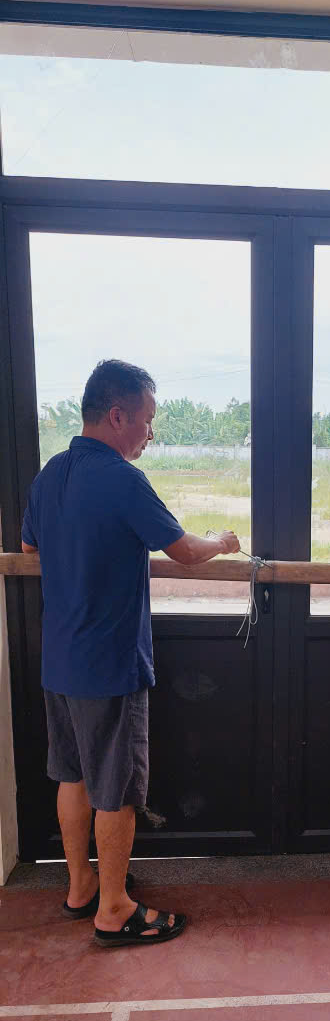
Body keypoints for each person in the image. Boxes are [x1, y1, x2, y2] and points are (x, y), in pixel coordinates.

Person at [22, 359, 240, 947]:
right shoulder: (122, 479)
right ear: (117, 417)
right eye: (147, 420)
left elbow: (28, 546)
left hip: (59, 660)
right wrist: (222, 541)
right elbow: (184, 551)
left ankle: (81, 886)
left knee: (71, 776)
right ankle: (115, 910)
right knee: (114, 789)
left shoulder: (50, 475)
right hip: (109, 664)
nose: (150, 432)